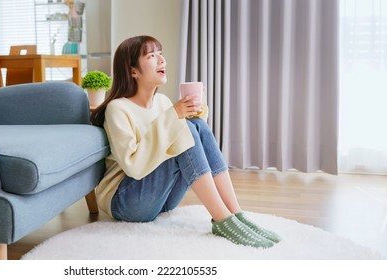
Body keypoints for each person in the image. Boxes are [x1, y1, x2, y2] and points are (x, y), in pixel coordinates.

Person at [90, 35, 280, 248]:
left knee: (195, 125)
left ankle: (235, 213)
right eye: (152, 56)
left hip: (160, 200)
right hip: (126, 202)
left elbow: (190, 147)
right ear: (133, 71)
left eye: (160, 54)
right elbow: (133, 166)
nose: (161, 60)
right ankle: (222, 220)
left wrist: (193, 114)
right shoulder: (118, 109)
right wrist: (174, 117)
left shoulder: (162, 102)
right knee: (185, 127)